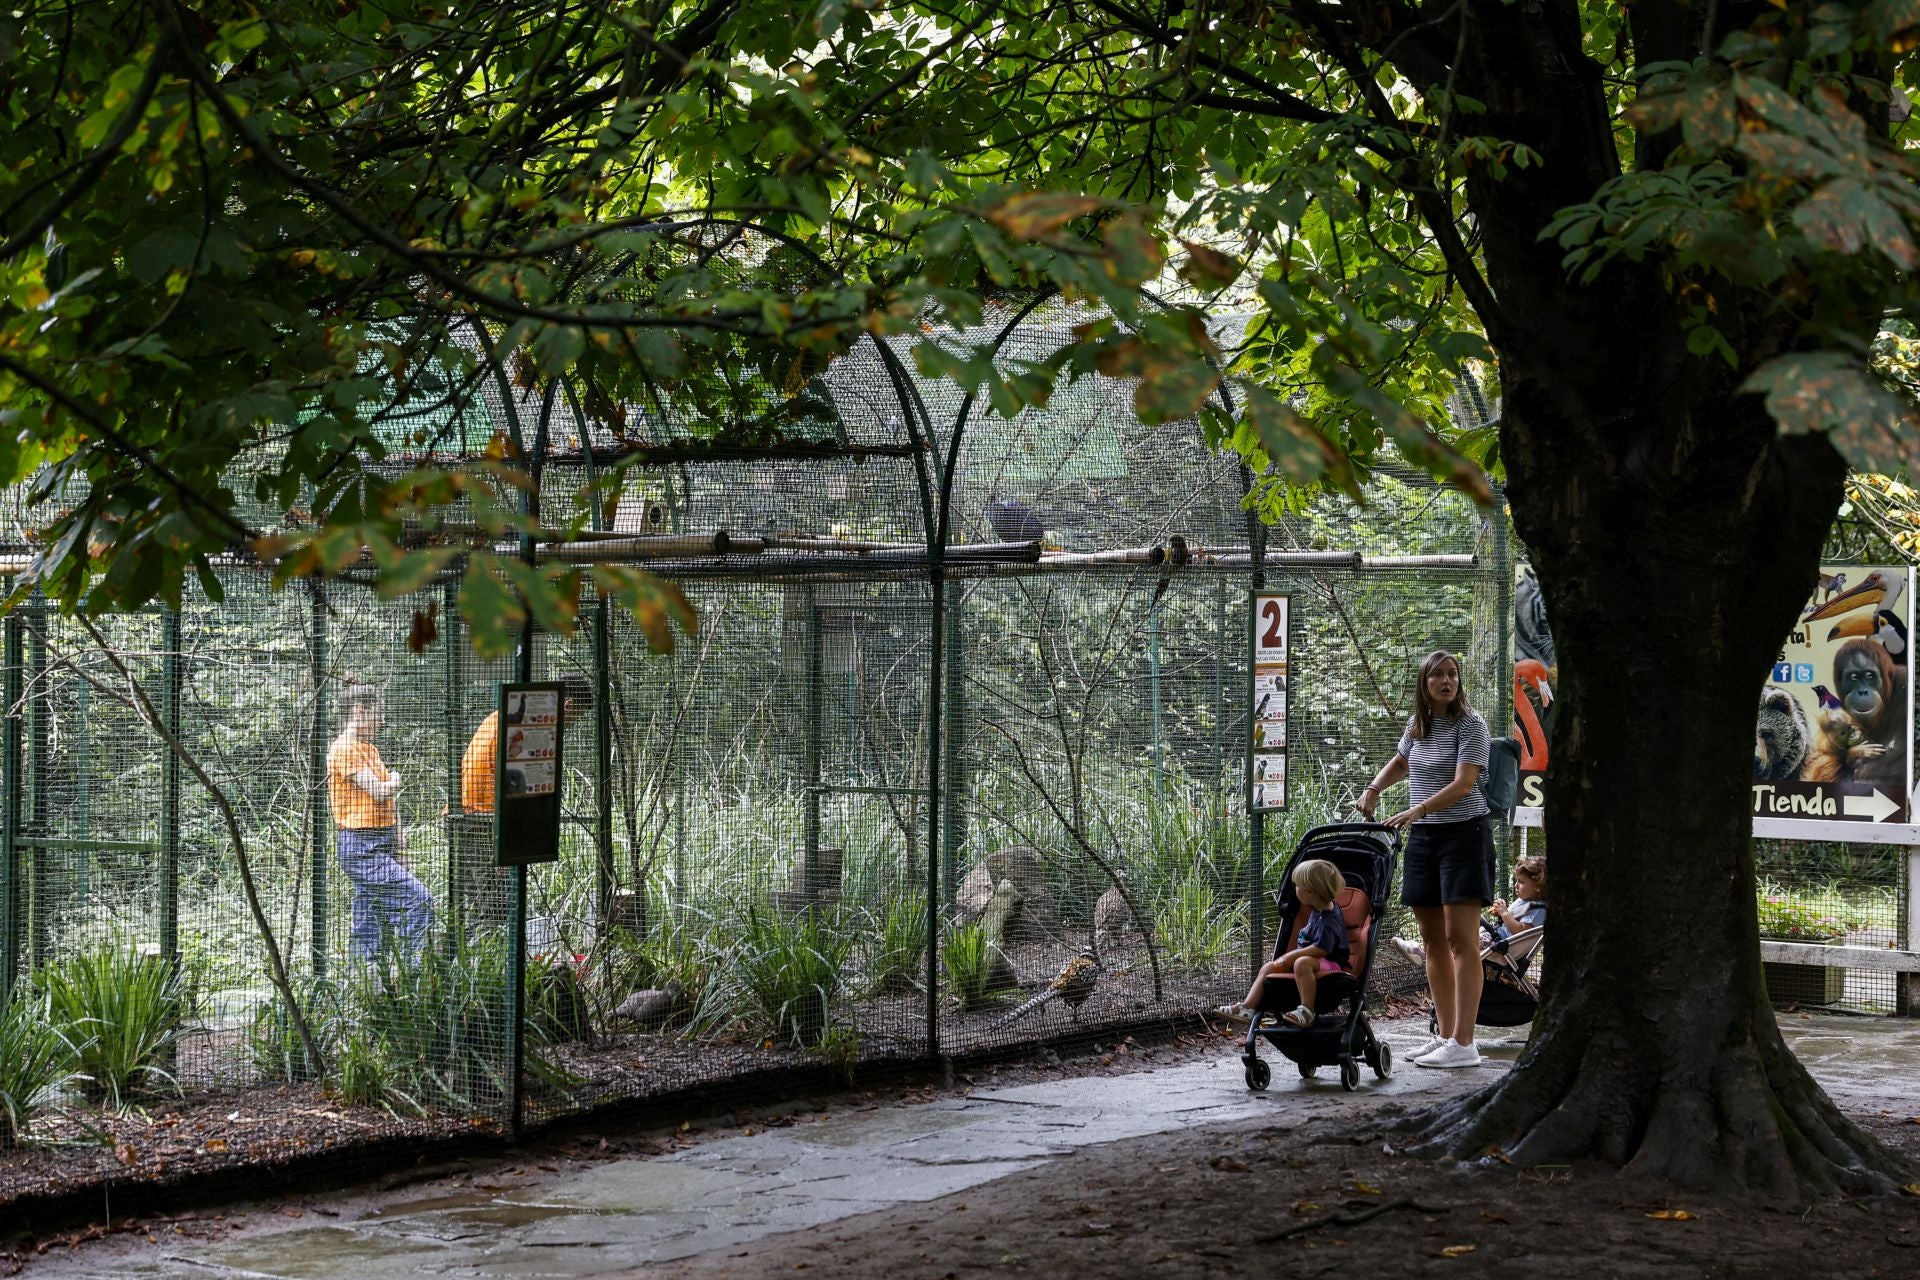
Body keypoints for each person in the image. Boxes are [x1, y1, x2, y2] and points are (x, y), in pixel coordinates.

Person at [1357, 650, 1494, 1069]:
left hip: (1464, 836)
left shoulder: (1472, 724)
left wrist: (1418, 810)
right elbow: (1402, 760)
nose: (1446, 681)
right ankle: (1447, 1036)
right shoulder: (1418, 725)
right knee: (1432, 940)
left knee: (1461, 939)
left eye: (1452, 674)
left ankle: (1465, 1043)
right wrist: (1374, 788)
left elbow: (1465, 783)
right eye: (1438, 675)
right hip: (1423, 840)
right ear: (1425, 683)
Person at [453, 674, 594, 927]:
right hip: (484, 820)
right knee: (495, 908)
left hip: (466, 816)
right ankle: (493, 962)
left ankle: (475, 960)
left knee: (480, 905)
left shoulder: (507, 715)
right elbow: (519, 792)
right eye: (578, 716)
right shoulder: (532, 727)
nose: (574, 724)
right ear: (568, 705)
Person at [328, 683, 432, 959]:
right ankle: (414, 974)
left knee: (369, 919)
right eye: (378, 713)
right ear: (360, 711)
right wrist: (396, 779)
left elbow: (389, 804)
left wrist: (401, 848)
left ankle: (365, 982)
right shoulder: (344, 749)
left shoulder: (370, 750)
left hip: (383, 842)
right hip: (361, 847)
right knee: (418, 899)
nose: (381, 720)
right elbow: (379, 790)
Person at [1228, 859, 1349, 1029]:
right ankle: (1247, 1008)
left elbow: (1321, 949)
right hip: (1314, 963)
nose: (1295, 889)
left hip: (1331, 965)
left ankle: (1307, 1011)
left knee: (1301, 962)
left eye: (1297, 885)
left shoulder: (1328, 919)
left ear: (1310, 891)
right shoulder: (1318, 908)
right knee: (1269, 967)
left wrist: (1290, 956)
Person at [1394, 856, 1547, 962]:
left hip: (1501, 947)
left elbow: (1521, 931)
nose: (1516, 885)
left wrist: (1505, 913)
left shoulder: (1539, 909)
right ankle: (1425, 951)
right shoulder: (1526, 901)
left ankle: (1423, 953)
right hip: (1495, 939)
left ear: (1538, 886)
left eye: (1521, 882)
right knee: (1459, 932)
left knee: (1462, 938)